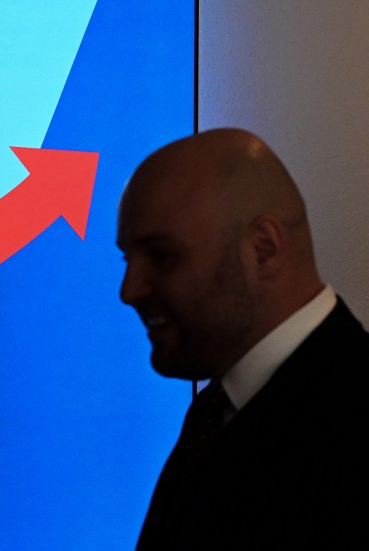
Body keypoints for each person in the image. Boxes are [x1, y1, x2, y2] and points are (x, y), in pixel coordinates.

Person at [116, 128, 369, 550]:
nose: (129, 290)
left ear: (263, 248)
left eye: (162, 256)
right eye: (128, 258)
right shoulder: (213, 411)